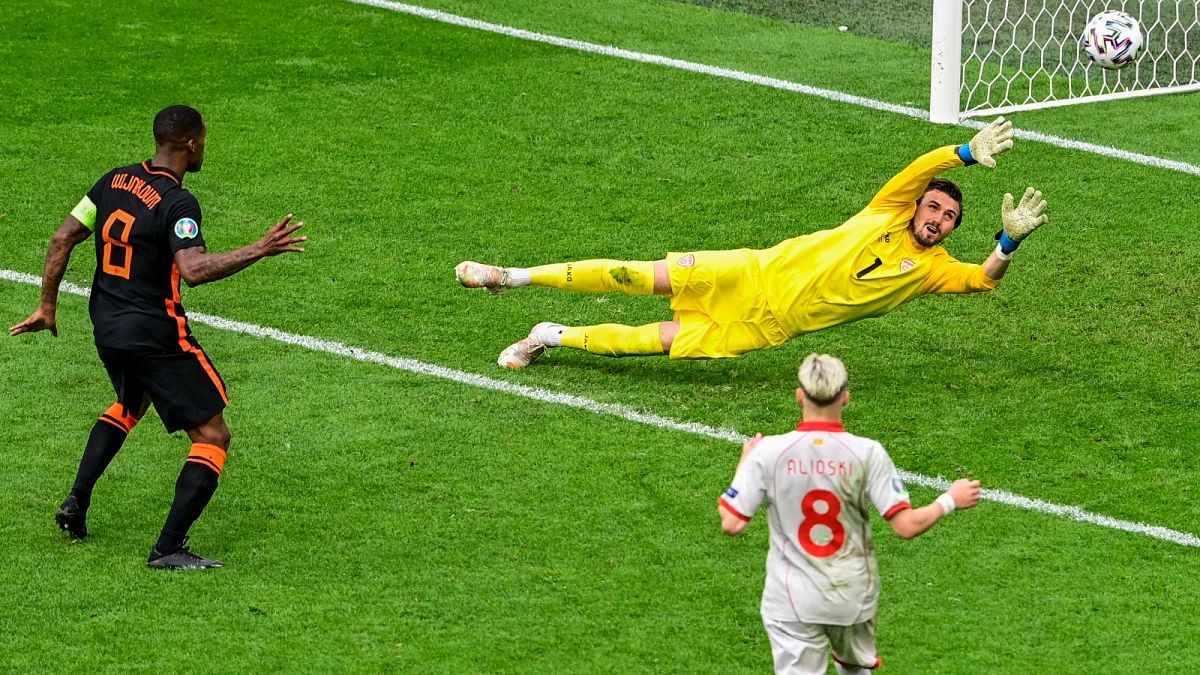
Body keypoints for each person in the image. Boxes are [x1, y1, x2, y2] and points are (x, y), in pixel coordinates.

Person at [454, 117, 1048, 368]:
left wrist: (1008, 242)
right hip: (749, 272)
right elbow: (919, 168)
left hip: (766, 327)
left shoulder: (931, 269)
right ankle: (512, 276)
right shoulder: (887, 209)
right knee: (633, 275)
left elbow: (980, 280)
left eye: (949, 218)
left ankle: (548, 337)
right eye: (935, 207)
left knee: (646, 343)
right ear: (918, 205)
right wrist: (965, 154)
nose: (939, 218)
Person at [9, 105, 306, 570]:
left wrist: (47, 306)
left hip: (106, 326)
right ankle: (168, 548)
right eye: (204, 139)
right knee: (212, 435)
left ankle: (76, 502)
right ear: (190, 144)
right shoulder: (178, 203)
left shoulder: (113, 181)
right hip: (153, 332)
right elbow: (193, 270)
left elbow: (62, 238)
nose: (205, 146)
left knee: (131, 404)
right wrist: (261, 248)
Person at [717, 354, 981, 674]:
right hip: (851, 595)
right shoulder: (867, 453)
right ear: (846, 396)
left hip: (790, 598)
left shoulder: (769, 452)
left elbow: (731, 523)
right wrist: (950, 499)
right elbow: (906, 526)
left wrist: (745, 461)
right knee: (855, 670)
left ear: (800, 395)